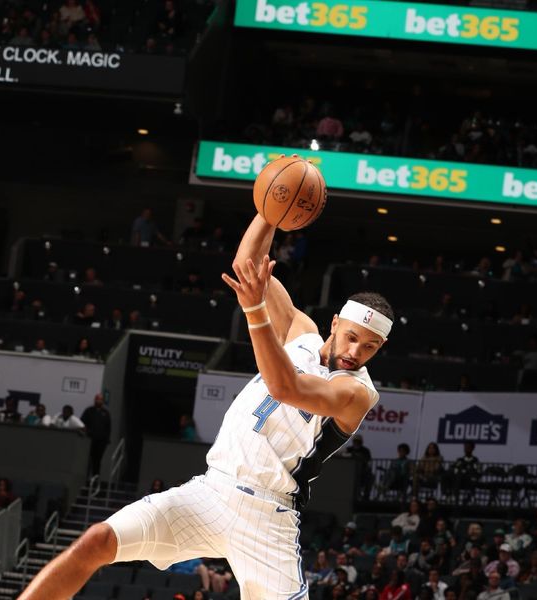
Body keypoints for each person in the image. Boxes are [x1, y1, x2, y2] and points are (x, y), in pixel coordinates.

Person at [19, 211, 391, 599]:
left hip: (270, 517)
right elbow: (246, 265)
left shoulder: (358, 393)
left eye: (369, 347)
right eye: (351, 338)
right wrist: (268, 213)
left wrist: (255, 313)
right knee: (97, 541)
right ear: (334, 323)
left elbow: (285, 387)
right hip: (212, 492)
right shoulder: (300, 333)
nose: (355, 352)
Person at [81, 393, 111, 478]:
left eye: (101, 399)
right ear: (95, 400)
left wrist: (106, 440)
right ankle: (84, 477)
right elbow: (82, 423)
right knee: (87, 460)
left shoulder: (106, 413)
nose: (99, 401)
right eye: (97, 399)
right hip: (89, 439)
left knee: (97, 460)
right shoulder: (89, 411)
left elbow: (108, 428)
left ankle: (95, 479)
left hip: (101, 442)